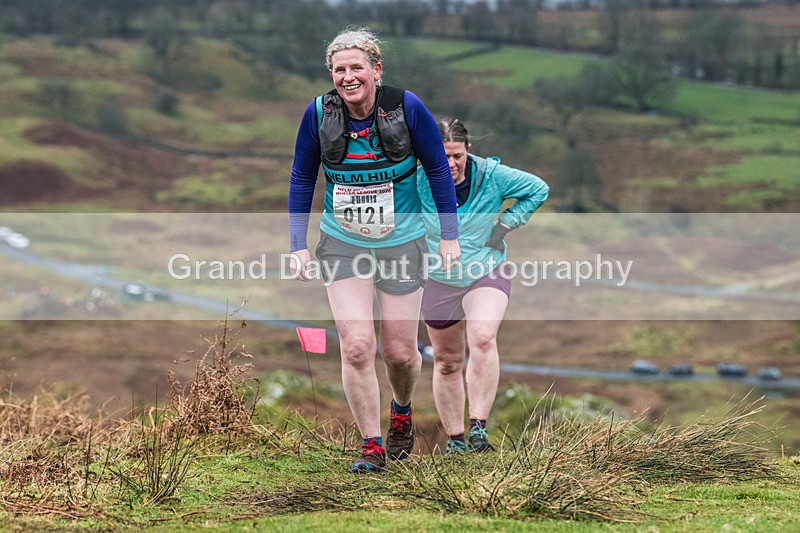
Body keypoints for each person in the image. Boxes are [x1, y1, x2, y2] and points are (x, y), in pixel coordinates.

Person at [288, 27, 461, 472]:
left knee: (401, 354)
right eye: (339, 70)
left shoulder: (406, 107)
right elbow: (302, 178)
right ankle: (371, 446)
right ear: (332, 73)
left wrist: (448, 235)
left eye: (357, 68)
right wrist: (297, 245)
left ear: (376, 70)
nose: (348, 77)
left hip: (402, 243)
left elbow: (439, 170)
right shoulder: (318, 114)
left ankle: (401, 407)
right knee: (358, 347)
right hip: (342, 244)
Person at [417, 118, 549, 453]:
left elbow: (538, 188)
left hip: (485, 271)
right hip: (438, 279)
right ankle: (456, 441)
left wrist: (506, 223)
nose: (450, 164)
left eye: (457, 155)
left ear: (468, 150)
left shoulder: (491, 176)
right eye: (442, 156)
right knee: (447, 360)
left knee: (483, 337)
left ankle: (478, 430)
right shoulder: (416, 179)